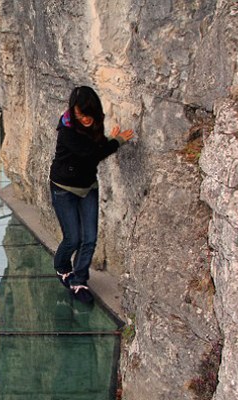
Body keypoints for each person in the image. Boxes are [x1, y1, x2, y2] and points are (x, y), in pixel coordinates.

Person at [49, 86, 134, 303]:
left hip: (88, 186)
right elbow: (90, 153)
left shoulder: (95, 122)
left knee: (90, 238)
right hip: (63, 188)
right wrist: (116, 142)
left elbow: (94, 147)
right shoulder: (67, 130)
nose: (85, 119)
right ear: (73, 113)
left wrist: (106, 141)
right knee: (73, 238)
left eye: (88, 114)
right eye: (80, 115)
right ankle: (61, 265)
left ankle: (78, 281)